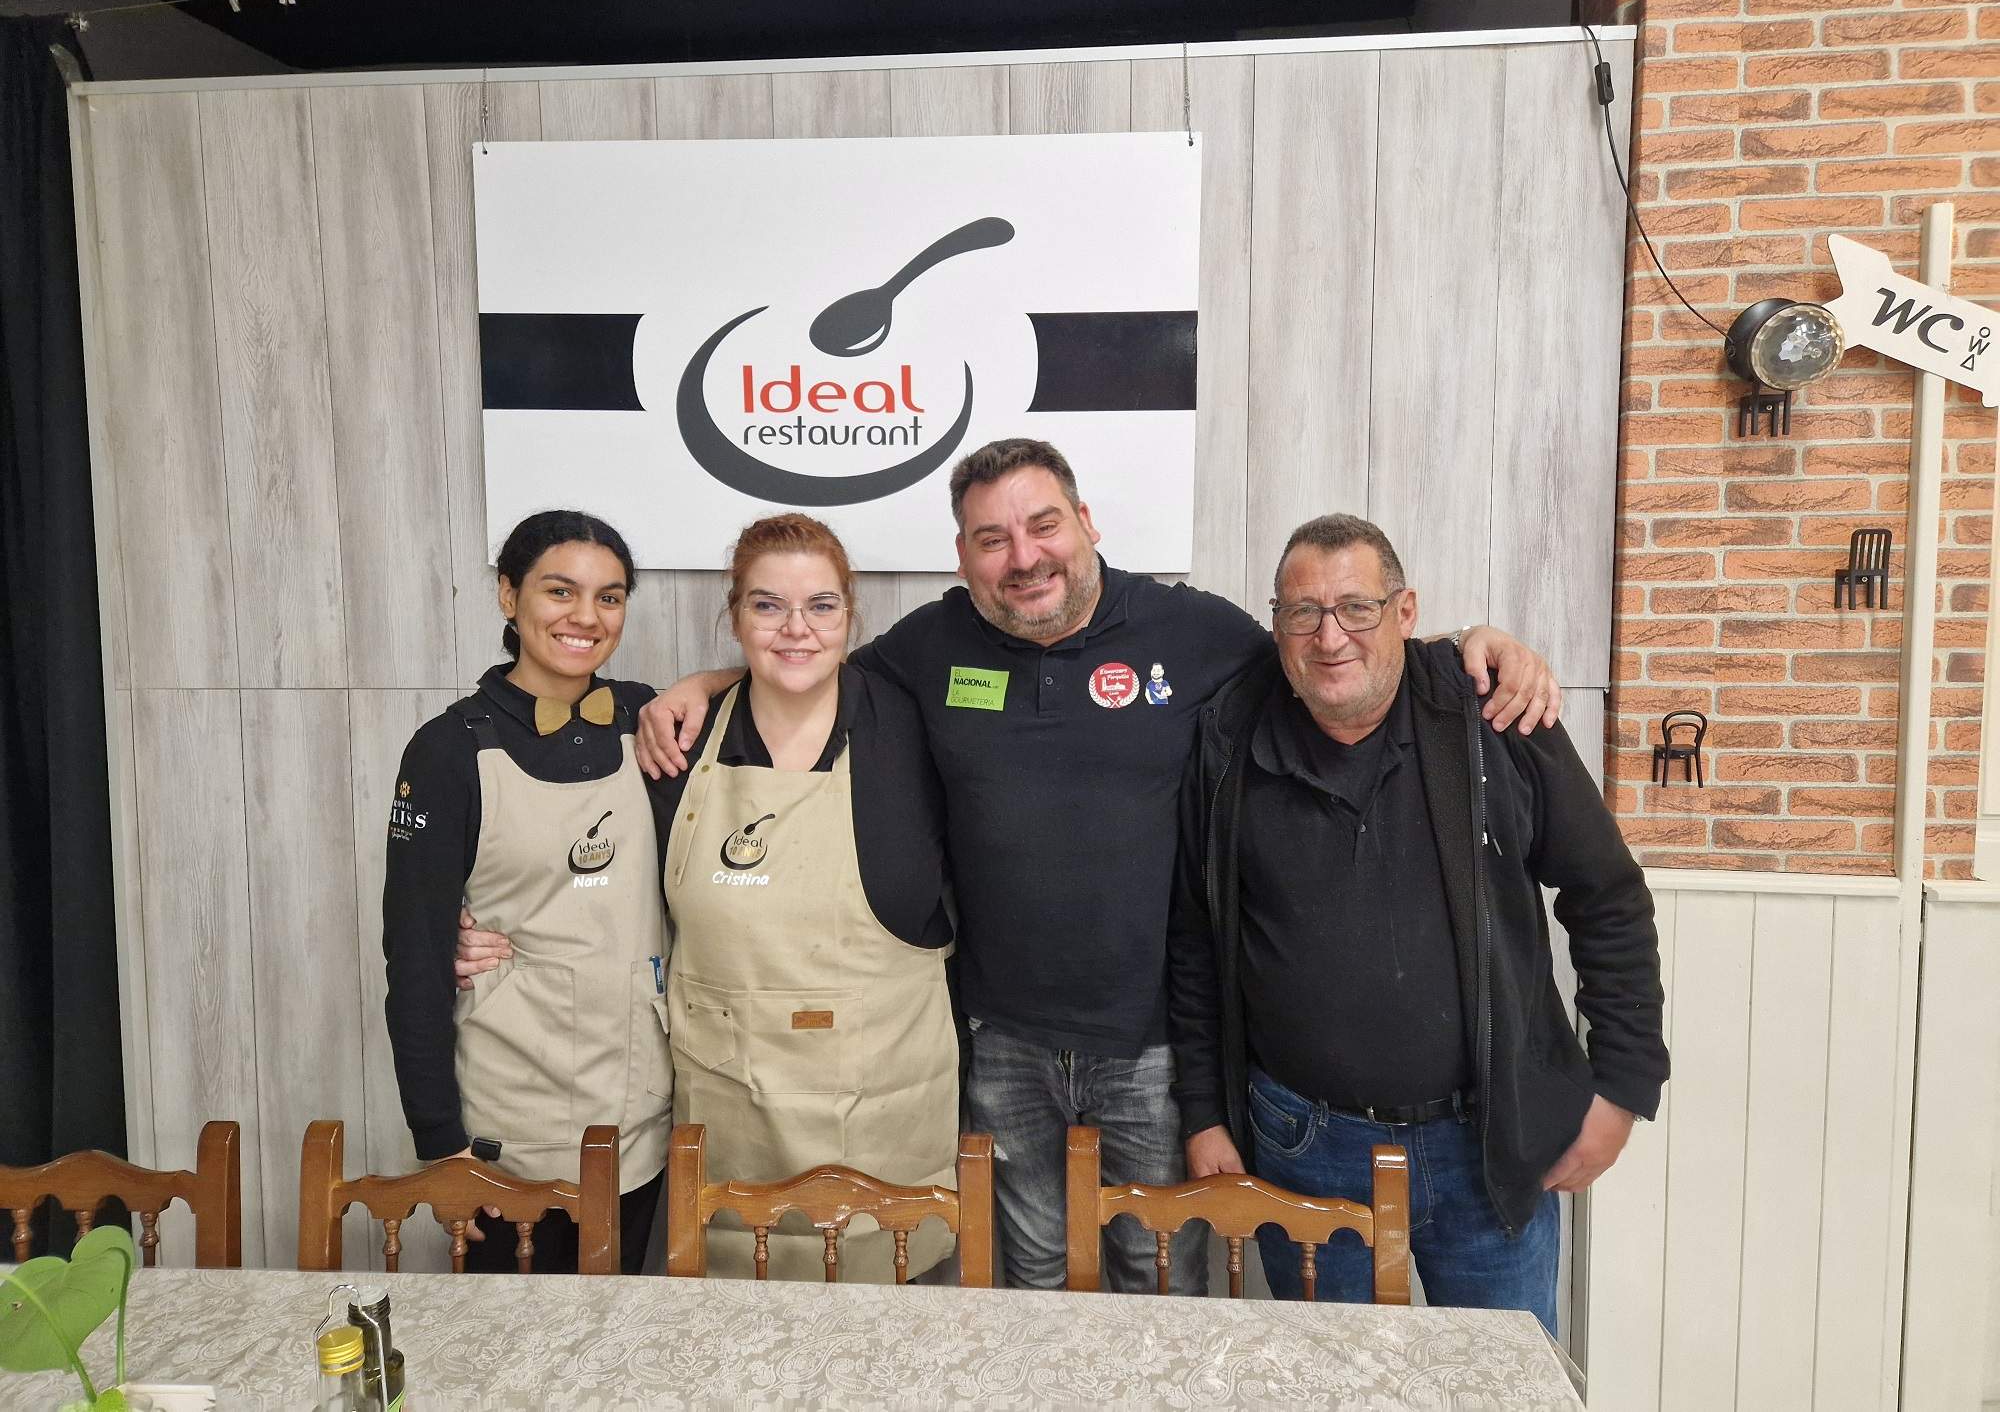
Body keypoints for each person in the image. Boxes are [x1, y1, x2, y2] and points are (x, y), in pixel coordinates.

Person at [460, 440, 1561, 1294]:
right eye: (990, 538)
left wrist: (1470, 646)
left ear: (1085, 522)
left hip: (1154, 1052)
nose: (1021, 556)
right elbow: (796, 660)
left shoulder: (1199, 633)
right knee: (1020, 1291)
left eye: (1041, 525)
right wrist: (701, 683)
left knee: (1157, 1288)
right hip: (997, 1050)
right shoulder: (928, 651)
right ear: (962, 558)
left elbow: (1333, 652)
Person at [1168, 514, 1668, 1333]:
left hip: (1488, 1142)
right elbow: (1194, 940)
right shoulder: (1229, 740)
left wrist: (1622, 1086)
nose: (1330, 637)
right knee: (1333, 1389)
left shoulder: (1493, 716)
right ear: (1276, 626)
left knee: (1499, 1383)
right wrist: (1203, 1112)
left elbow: (1606, 896)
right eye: (1303, 613)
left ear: (1405, 613)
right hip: (1304, 1145)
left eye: (1357, 608)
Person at [457, 514, 959, 1281]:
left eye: (821, 606)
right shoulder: (672, 743)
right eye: (767, 606)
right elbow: (583, 869)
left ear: (851, 617)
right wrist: (485, 930)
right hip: (732, 1120)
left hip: (882, 1118)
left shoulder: (918, 727)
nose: (796, 629)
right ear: (734, 618)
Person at [382, 509, 670, 1274]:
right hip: (508, 1134)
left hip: (641, 1119)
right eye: (559, 591)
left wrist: (704, 680)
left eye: (609, 597)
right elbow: (413, 960)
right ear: (508, 597)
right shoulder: (449, 749)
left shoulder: (651, 722)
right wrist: (439, 1144)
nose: (586, 616)